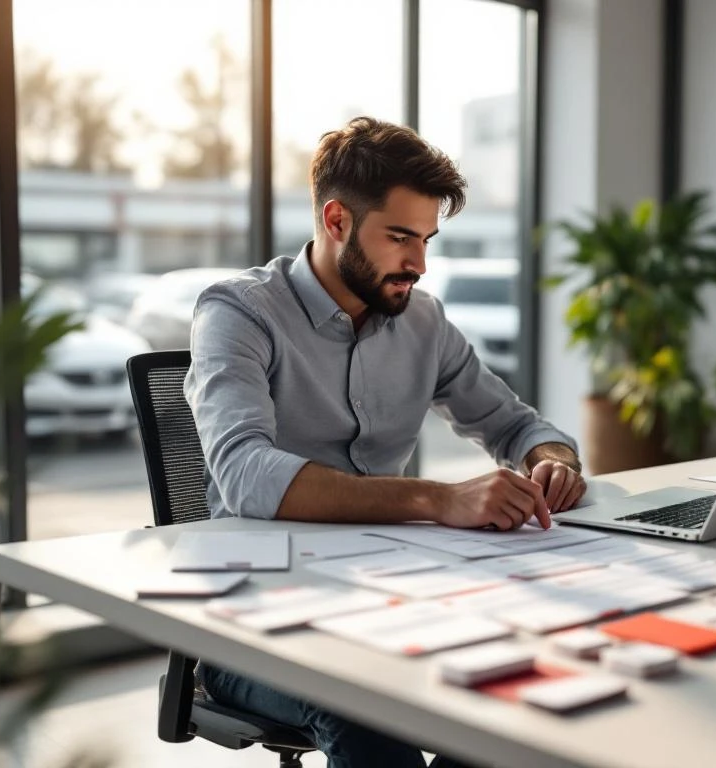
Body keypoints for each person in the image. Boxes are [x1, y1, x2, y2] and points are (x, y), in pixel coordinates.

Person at [185, 116, 587, 768]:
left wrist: (552, 461)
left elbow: (515, 424)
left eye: (427, 239)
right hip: (255, 622)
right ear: (337, 220)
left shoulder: (422, 320)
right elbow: (245, 474)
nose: (420, 264)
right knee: (366, 702)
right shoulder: (238, 312)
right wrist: (439, 499)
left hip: (394, 593)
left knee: (521, 676)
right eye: (401, 237)